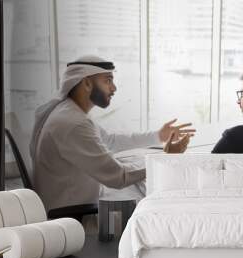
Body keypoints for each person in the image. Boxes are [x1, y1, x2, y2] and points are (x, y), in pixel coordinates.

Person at [30, 55, 195, 211]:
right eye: (108, 81)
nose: (114, 88)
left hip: (73, 199)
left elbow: (109, 141)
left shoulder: (68, 112)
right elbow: (119, 177)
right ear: (87, 83)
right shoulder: (74, 124)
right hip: (74, 216)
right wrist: (165, 159)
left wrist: (158, 136)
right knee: (157, 202)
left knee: (140, 185)